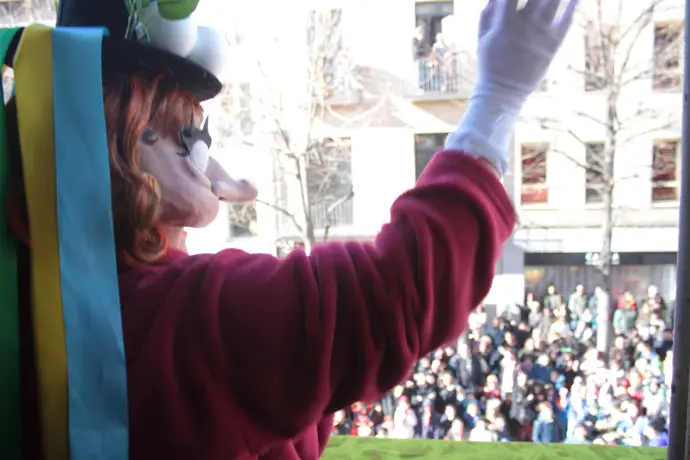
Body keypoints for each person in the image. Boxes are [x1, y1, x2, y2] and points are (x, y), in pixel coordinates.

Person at [5, 0, 578, 459]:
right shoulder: (190, 317)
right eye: (186, 132)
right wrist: (497, 99)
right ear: (124, 147)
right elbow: (395, 291)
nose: (204, 154)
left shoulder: (42, 302)